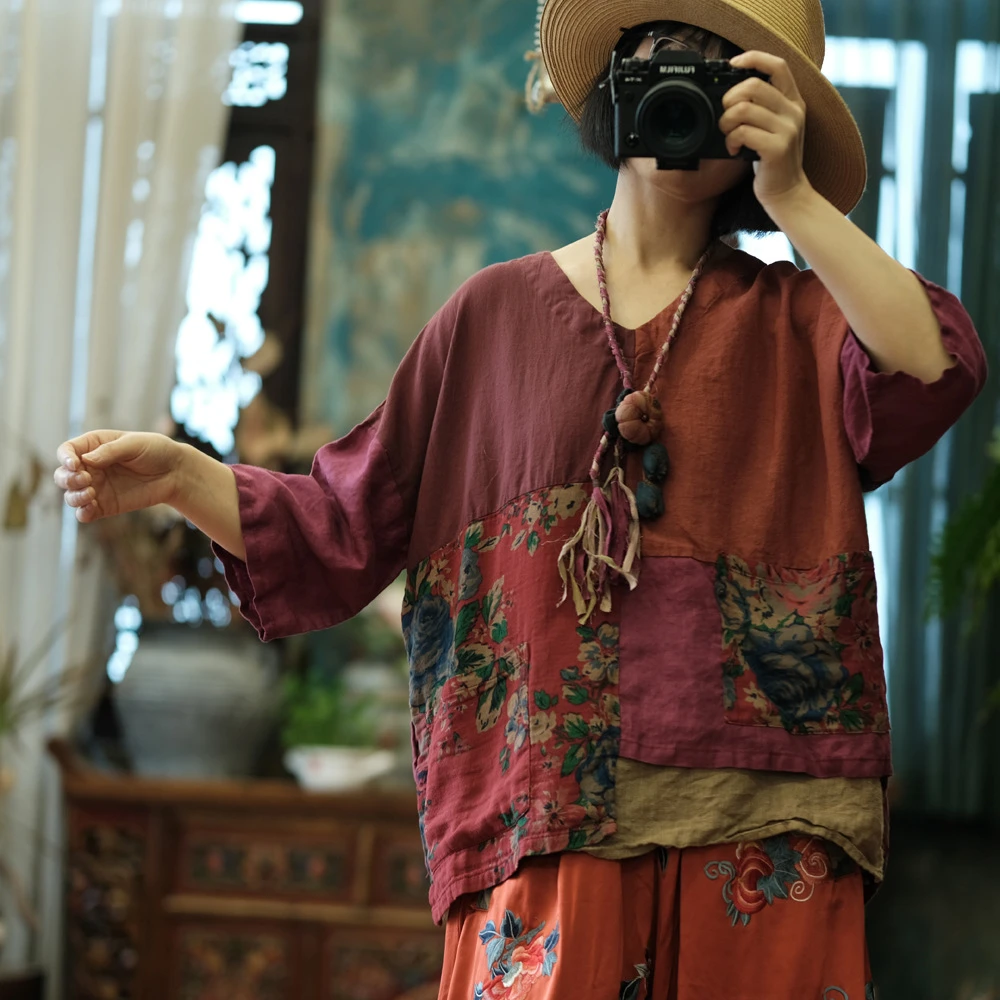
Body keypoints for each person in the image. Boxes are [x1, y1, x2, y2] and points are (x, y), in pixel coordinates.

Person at [56, 0, 988, 996]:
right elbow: (340, 522)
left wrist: (794, 197)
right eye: (665, 54)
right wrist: (183, 477)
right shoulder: (489, 317)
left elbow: (935, 367)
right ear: (614, 80)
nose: (690, 85)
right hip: (544, 811)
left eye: (729, 72)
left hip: (767, 817)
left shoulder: (805, 319)